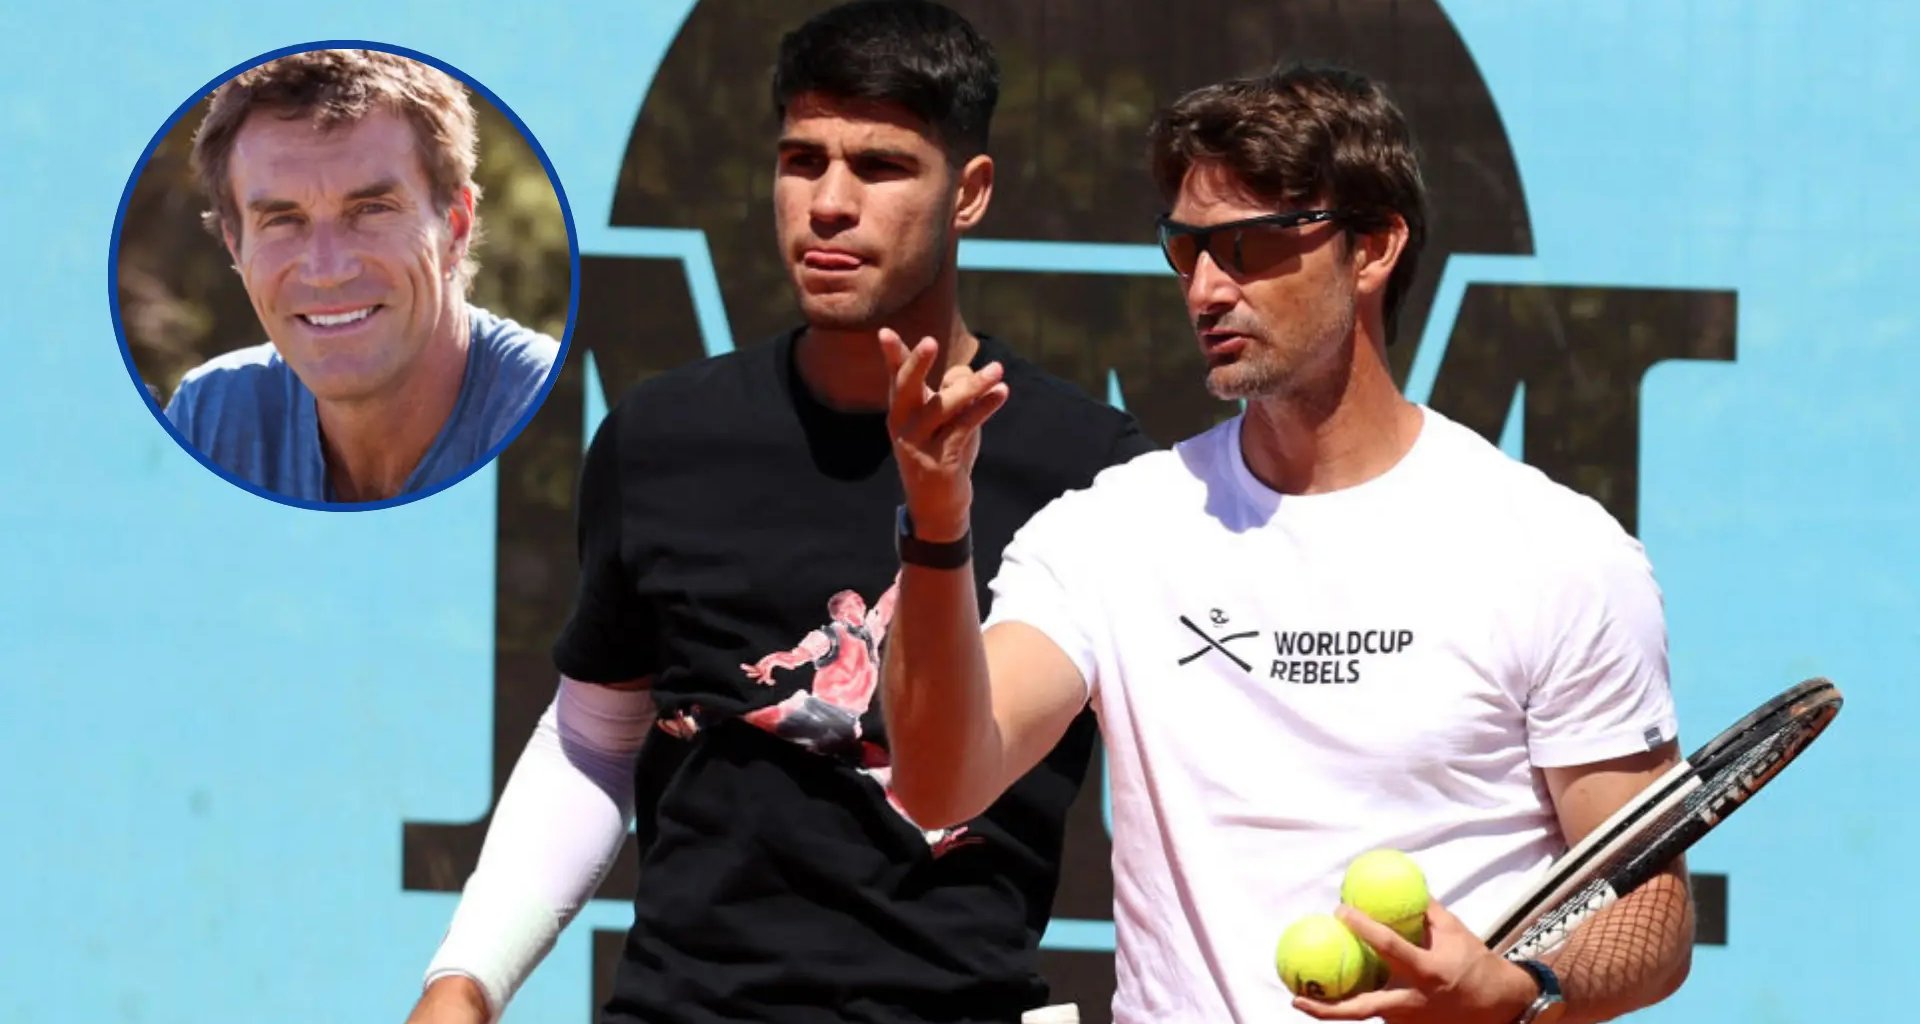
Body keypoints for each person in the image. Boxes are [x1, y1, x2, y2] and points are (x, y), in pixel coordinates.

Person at [878, 62, 1696, 1024]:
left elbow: (1651, 914)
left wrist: (1521, 991)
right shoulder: (1109, 532)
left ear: (1373, 247)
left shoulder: (1558, 551)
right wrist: (938, 522)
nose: (1207, 288)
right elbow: (938, 783)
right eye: (1188, 249)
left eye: (1249, 245)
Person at [406, 3, 1153, 1023]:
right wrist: (464, 981)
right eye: (803, 160)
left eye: (881, 167)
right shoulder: (663, 437)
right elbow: (594, 740)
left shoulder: (1092, 470)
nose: (829, 204)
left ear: (969, 193)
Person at [165, 49, 559, 504]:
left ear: (455, 227)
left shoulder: (552, 419)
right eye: (282, 220)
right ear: (236, 246)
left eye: (372, 209)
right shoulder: (210, 423)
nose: (328, 271)